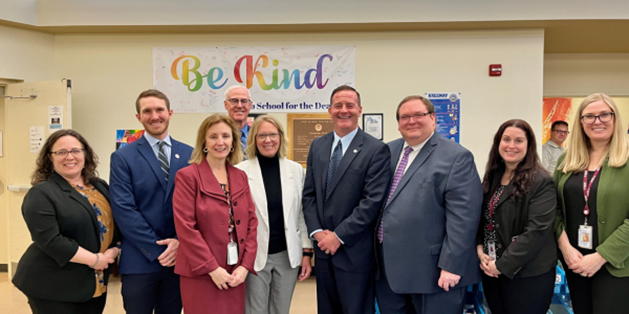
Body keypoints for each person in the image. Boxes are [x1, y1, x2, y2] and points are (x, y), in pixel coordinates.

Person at [375, 95, 482, 314]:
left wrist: (451, 266)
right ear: (398, 123)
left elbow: (464, 219)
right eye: (405, 116)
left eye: (418, 115)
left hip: (434, 273)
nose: (411, 121)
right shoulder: (387, 152)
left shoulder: (456, 157)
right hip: (388, 269)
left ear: (433, 118)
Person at [302, 85, 391, 314]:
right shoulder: (318, 146)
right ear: (329, 110)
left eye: (350, 105)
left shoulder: (375, 149)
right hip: (323, 250)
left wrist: (339, 236)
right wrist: (317, 233)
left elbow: (372, 202)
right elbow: (309, 195)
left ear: (359, 110)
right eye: (338, 105)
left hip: (354, 253)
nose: (344, 110)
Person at [12, 129, 120, 314]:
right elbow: (51, 240)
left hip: (94, 282)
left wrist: (116, 248)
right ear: (49, 158)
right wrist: (95, 260)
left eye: (76, 151)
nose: (69, 157)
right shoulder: (41, 193)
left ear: (85, 154)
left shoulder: (99, 185)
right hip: (54, 284)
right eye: (61, 152)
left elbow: (115, 222)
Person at [110, 89, 193, 314]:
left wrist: (178, 242)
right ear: (138, 117)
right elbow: (124, 209)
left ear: (170, 113)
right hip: (140, 260)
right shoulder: (123, 157)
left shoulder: (190, 154)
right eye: (147, 111)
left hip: (179, 258)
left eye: (159, 110)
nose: (154, 116)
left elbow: (195, 207)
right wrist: (157, 250)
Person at [173, 114, 258, 314]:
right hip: (201, 272)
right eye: (213, 137)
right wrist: (211, 268)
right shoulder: (187, 176)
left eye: (226, 136)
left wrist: (245, 266)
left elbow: (251, 223)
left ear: (234, 142)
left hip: (235, 272)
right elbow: (185, 227)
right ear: (204, 141)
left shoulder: (240, 176)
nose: (220, 142)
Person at [554, 93, 629, 314]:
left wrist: (600, 256)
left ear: (615, 118)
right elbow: (553, 208)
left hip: (617, 265)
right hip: (575, 263)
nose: (597, 121)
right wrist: (565, 248)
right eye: (589, 117)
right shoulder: (566, 160)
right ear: (581, 122)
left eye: (604, 115)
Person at [477, 119, 558, 314]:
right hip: (493, 271)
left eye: (519, 140)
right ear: (498, 143)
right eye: (506, 139)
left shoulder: (541, 181)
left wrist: (502, 265)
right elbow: (483, 218)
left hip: (528, 275)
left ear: (529, 146)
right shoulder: (493, 176)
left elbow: (536, 231)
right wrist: (480, 250)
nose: (511, 145)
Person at [236, 116, 314, 314]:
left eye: (273, 134)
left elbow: (301, 214)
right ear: (254, 139)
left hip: (286, 255)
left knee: (281, 310)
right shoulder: (240, 172)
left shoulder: (296, 170)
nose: (267, 140)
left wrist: (306, 253)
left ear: (280, 137)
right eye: (262, 135)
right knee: (255, 310)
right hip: (254, 255)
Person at [224, 85, 253, 159]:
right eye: (234, 101)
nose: (239, 106)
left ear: (250, 105)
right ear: (226, 104)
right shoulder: (217, 135)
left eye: (244, 101)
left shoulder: (258, 134)